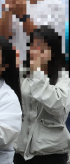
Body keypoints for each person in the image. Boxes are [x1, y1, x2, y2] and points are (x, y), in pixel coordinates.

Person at [14, 26, 70, 163]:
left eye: (42, 49)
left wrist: (37, 73)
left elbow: (59, 106)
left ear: (54, 52)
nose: (35, 53)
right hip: (21, 153)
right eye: (32, 47)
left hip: (51, 153)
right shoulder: (22, 75)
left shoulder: (64, 77)